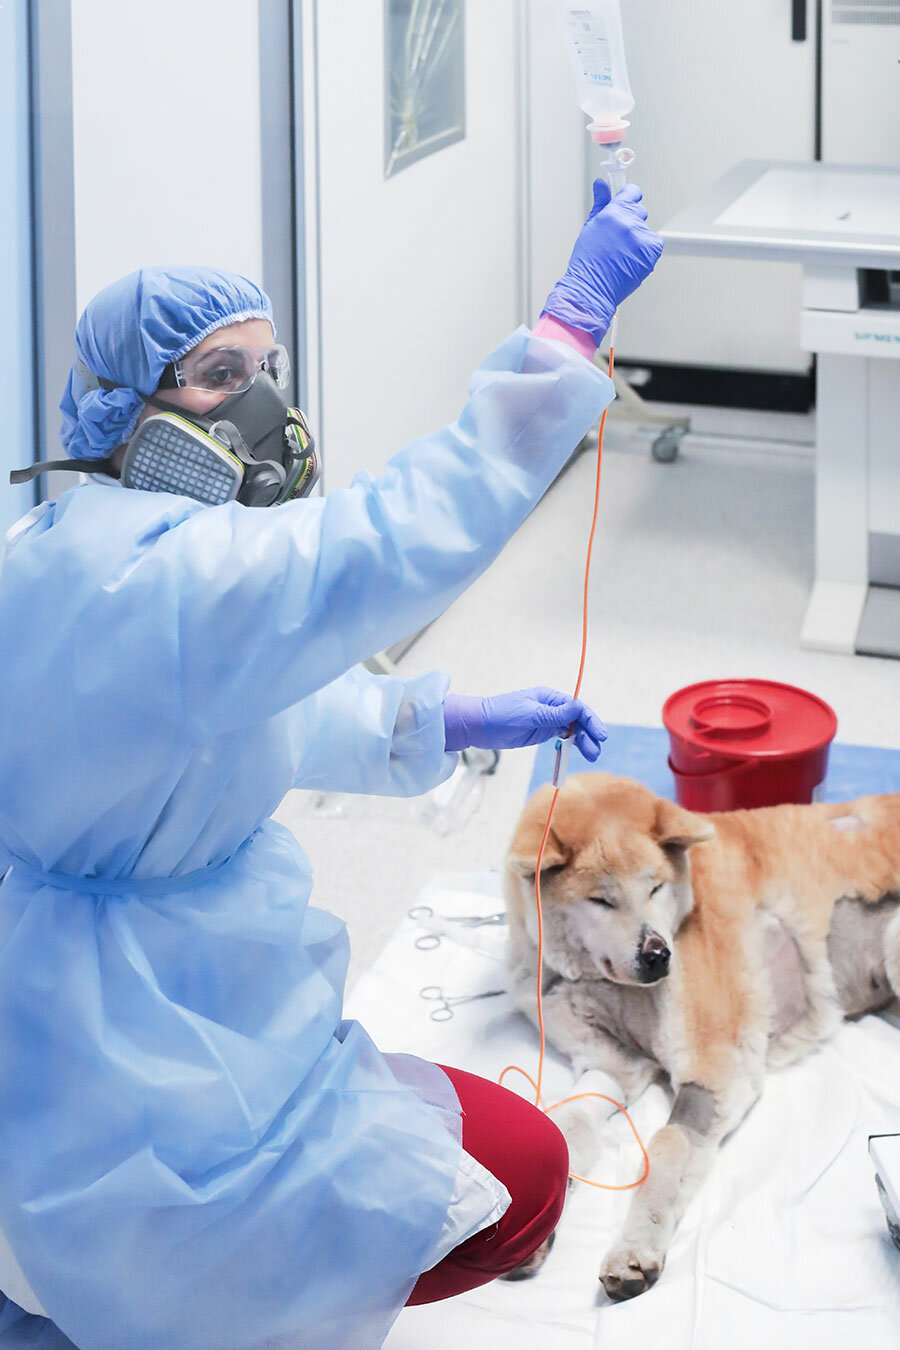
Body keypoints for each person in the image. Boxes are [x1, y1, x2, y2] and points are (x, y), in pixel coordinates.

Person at [0, 180, 662, 1350]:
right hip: (131, 1047)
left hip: (130, 999)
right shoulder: (149, 579)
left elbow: (217, 724)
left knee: (75, 1274)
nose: (259, 410)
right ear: (117, 410)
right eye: (218, 378)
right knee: (512, 1183)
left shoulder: (87, 550)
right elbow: (385, 538)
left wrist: (432, 717)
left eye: (268, 372)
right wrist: (565, 332)